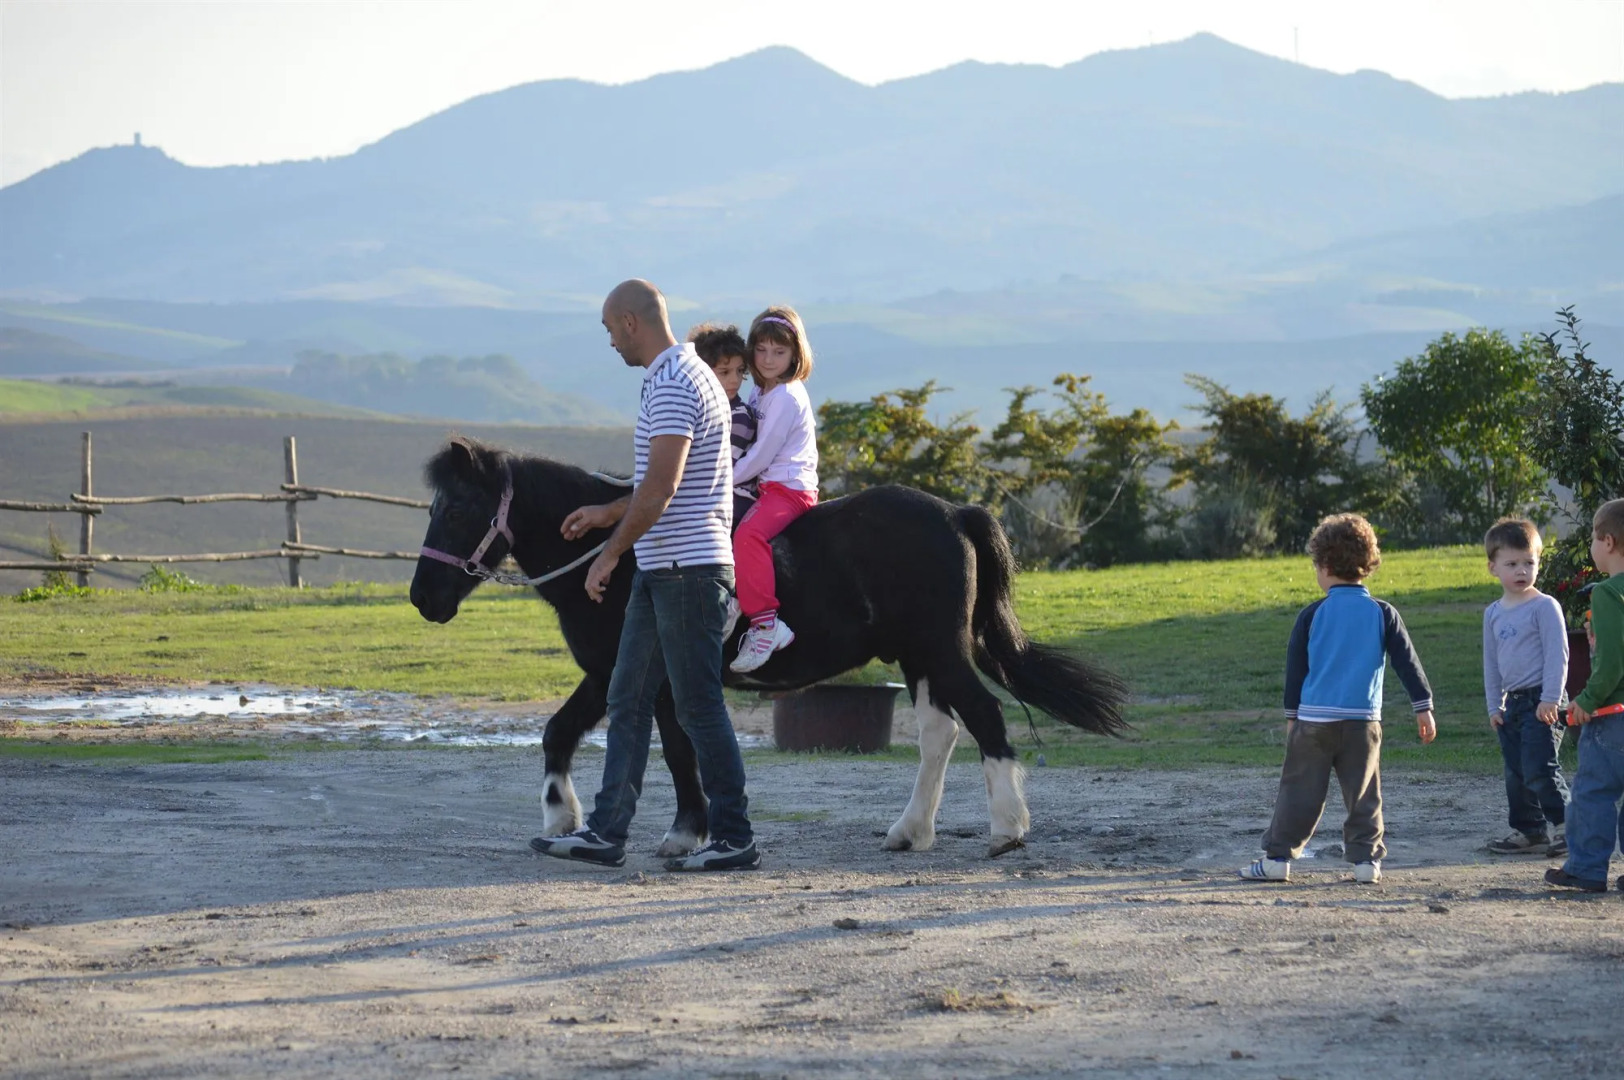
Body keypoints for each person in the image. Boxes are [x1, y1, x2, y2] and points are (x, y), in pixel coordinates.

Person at [530, 279, 758, 872]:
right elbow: (656, 481)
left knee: (698, 706)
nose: (609, 342)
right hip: (666, 568)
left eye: (609, 329)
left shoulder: (677, 381)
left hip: (685, 571)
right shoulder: (679, 374)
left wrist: (608, 554)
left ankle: (734, 836)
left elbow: (662, 487)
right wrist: (606, 514)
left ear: (631, 322)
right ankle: (606, 833)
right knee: (626, 698)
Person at [1240, 513, 1436, 885]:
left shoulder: (1312, 614)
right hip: (1364, 722)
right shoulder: (1383, 613)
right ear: (1367, 564)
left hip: (1313, 721)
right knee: (1364, 794)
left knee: (1298, 792)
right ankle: (1366, 864)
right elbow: (1408, 663)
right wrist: (1422, 707)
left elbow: (1296, 670)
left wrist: (1291, 717)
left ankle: (1277, 860)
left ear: (1325, 565)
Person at [727, 306, 819, 674]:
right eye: (761, 350)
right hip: (766, 484)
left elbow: (761, 455)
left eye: (779, 352)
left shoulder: (785, 397)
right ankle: (735, 596)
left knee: (749, 535)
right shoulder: (761, 391)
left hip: (788, 488)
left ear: (796, 355)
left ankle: (766, 624)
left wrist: (720, 480)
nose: (767, 359)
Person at [1545, 498, 1624, 893]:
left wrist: (1585, 701)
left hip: (1613, 715)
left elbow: (1611, 662)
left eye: (1593, 537)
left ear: (1607, 542)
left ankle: (1587, 869)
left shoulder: (1609, 593)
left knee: (1594, 791)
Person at [1480, 518, 1571, 857]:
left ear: (1538, 563)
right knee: (1516, 771)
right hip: (1513, 704)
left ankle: (1568, 827)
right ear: (1493, 568)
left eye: (1529, 563)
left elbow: (1557, 656)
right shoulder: (1492, 613)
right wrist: (1495, 705)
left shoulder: (1544, 606)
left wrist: (1550, 699)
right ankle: (1530, 830)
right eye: (1512, 563)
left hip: (1543, 700)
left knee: (1539, 765)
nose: (1521, 570)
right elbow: (1491, 664)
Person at [688, 322, 760, 530]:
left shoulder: (740, 418)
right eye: (725, 372)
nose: (734, 380)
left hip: (736, 500)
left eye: (739, 371)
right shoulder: (702, 413)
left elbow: (720, 469)